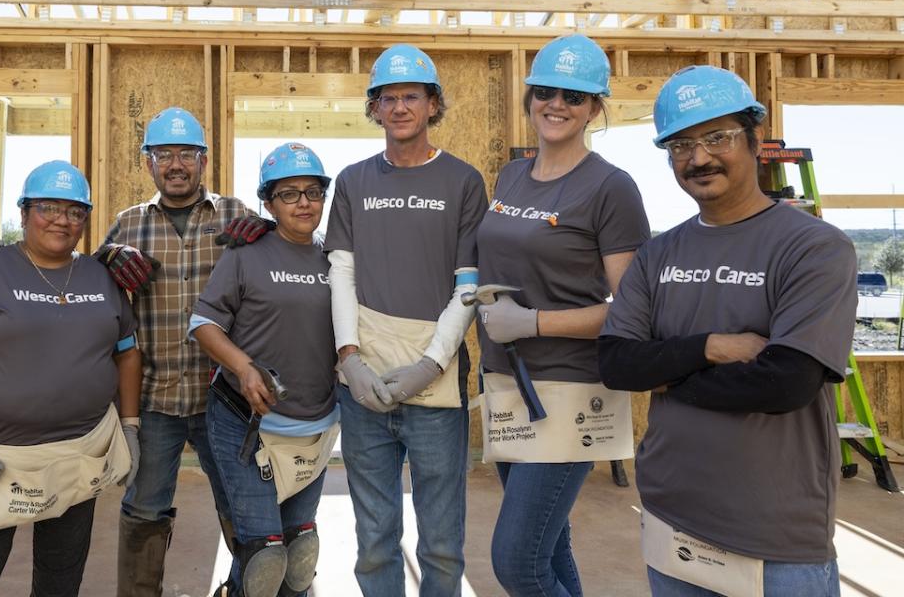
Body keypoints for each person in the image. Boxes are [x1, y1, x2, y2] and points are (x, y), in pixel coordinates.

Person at [598, 65, 856, 597]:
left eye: (718, 137)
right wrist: (710, 348)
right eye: (681, 144)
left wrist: (668, 376)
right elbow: (618, 364)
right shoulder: (657, 254)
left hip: (775, 532)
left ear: (755, 140)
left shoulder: (813, 247)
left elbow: (785, 383)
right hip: (672, 515)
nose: (699, 158)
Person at [473, 34, 649, 597]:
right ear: (529, 98)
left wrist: (534, 323)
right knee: (550, 547)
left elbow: (633, 309)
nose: (557, 104)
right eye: (545, 91)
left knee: (517, 561)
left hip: (569, 389)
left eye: (574, 96)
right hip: (505, 380)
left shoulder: (610, 187)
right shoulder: (513, 177)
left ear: (596, 107)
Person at [0, 160, 141, 597]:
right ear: (23, 213)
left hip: (77, 459)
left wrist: (130, 427)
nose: (62, 219)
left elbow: (127, 351)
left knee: (61, 578)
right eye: (48, 207)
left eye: (75, 211)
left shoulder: (102, 277)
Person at [325, 44, 487, 597]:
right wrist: (349, 359)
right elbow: (340, 273)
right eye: (387, 98)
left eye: (410, 97)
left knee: (441, 545)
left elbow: (468, 287)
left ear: (432, 104)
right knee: (374, 542)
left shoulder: (463, 182)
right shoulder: (352, 181)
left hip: (435, 393)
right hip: (364, 388)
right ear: (374, 108)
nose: (399, 107)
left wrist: (432, 363)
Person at [96, 107, 270, 596]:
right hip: (155, 398)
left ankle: (245, 588)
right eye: (164, 153)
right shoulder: (129, 224)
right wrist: (108, 257)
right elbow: (92, 286)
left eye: (186, 154)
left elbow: (286, 259)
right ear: (147, 162)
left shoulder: (237, 215)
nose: (176, 164)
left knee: (241, 505)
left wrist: (266, 237)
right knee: (145, 506)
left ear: (204, 160)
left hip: (224, 398)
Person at [190, 142, 339, 597]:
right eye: (288, 194)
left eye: (312, 192)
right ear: (269, 202)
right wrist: (245, 367)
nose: (303, 203)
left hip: (315, 427)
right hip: (247, 424)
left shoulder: (336, 259)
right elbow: (204, 323)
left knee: (299, 556)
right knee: (264, 556)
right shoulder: (246, 254)